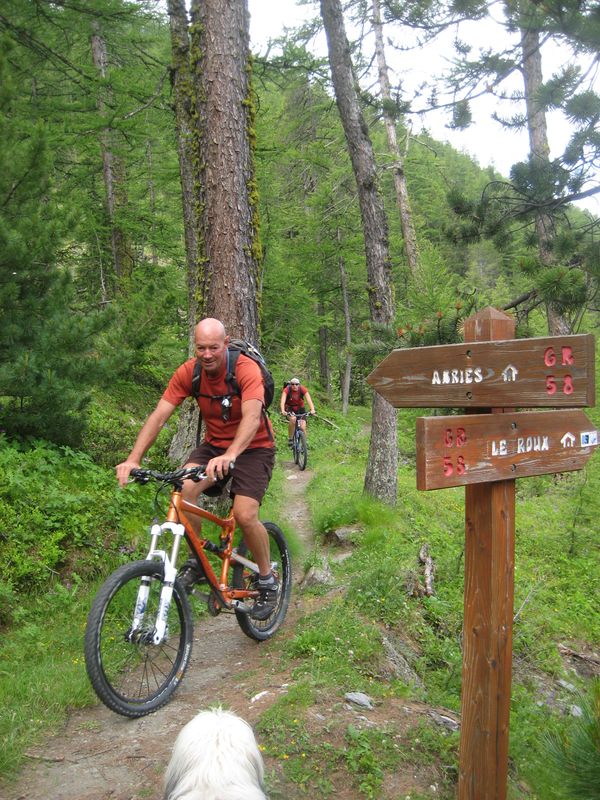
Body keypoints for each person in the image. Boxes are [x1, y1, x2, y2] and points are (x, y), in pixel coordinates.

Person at [116, 318, 278, 620]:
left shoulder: (245, 369)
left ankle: (267, 579)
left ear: (225, 344)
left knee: (244, 514)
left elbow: (252, 417)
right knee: (184, 489)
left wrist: (231, 454)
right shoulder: (189, 373)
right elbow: (159, 415)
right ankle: (198, 562)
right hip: (215, 447)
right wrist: (134, 458)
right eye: (201, 348)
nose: (207, 354)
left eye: (213, 348)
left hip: (254, 448)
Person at [279, 377, 316, 447]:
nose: (294, 386)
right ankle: (290, 438)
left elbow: (309, 400)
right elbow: (282, 401)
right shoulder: (287, 390)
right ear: (290, 384)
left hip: (300, 408)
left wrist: (312, 409)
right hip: (290, 408)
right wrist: (283, 410)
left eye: (296, 384)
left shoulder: (302, 389)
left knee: (302, 427)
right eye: (292, 384)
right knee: (293, 419)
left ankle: (304, 443)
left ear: (299, 384)